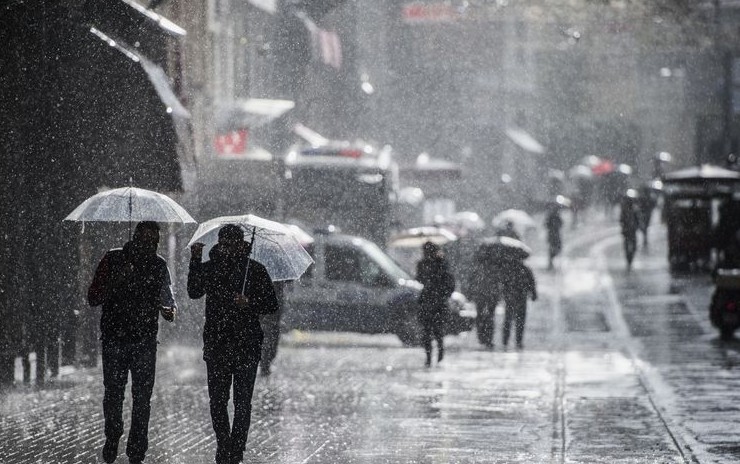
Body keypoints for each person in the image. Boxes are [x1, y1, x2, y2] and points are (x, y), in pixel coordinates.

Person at [188, 225, 279, 464]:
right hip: (217, 343)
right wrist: (195, 261)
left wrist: (249, 302)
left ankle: (237, 448)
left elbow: (271, 304)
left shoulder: (255, 270)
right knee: (218, 401)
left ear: (242, 245)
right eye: (224, 244)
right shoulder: (211, 268)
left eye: (232, 244)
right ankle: (223, 443)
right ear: (220, 243)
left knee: (242, 401)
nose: (227, 249)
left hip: (246, 345)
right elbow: (194, 291)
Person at [87, 221, 177, 464]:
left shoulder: (159, 266)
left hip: (145, 340)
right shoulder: (113, 259)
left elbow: (167, 299)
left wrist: (169, 311)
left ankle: (137, 448)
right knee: (114, 394)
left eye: (154, 242)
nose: (150, 246)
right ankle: (113, 435)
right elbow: (93, 297)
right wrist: (117, 279)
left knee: (142, 397)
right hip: (115, 339)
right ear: (135, 237)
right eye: (146, 240)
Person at [416, 241, 455, 367]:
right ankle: (429, 357)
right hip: (427, 300)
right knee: (427, 331)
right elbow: (419, 278)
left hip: (437, 302)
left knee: (437, 331)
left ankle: (439, 352)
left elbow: (449, 282)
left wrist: (442, 294)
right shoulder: (422, 264)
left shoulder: (441, 263)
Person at [499, 258, 537, 349]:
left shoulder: (508, 269)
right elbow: (531, 283)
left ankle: (505, 340)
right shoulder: (525, 269)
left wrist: (504, 293)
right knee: (520, 320)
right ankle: (518, 341)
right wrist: (533, 294)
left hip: (510, 298)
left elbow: (503, 283)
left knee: (508, 319)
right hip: (521, 297)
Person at [469, 244, 502, 349]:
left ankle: (482, 337)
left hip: (482, 294)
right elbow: (498, 281)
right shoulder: (495, 266)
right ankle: (488, 338)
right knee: (489, 317)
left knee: (481, 316)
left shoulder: (478, 265)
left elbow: (472, 281)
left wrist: (471, 292)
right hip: (490, 295)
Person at [259, 281, 285, 376]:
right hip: (267, 317)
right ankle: (264, 362)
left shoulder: (279, 283)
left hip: (273, 318)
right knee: (269, 340)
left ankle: (265, 361)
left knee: (271, 341)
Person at [620, 192, 640, 271]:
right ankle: (629, 259)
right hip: (627, 231)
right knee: (628, 245)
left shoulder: (634, 209)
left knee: (633, 246)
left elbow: (638, 219)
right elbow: (621, 220)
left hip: (632, 231)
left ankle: (630, 259)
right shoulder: (625, 209)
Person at [545, 205, 563, 270]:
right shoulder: (553, 217)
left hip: (553, 236)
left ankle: (551, 262)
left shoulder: (553, 216)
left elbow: (561, 224)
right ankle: (551, 262)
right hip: (553, 236)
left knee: (554, 249)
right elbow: (561, 224)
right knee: (554, 249)